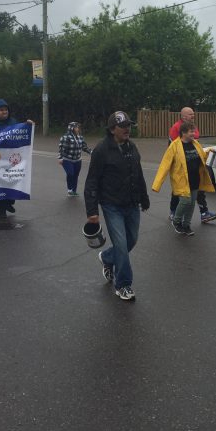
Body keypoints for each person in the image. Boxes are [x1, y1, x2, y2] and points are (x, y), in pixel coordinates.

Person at [84, 111, 150, 302]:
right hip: (111, 205)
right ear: (113, 129)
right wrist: (92, 212)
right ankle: (123, 285)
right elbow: (92, 182)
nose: (127, 129)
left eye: (129, 126)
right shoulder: (101, 150)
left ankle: (107, 257)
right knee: (121, 244)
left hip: (131, 203)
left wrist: (143, 198)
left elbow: (138, 173)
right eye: (123, 126)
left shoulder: (132, 147)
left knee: (132, 240)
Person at [152, 121, 215, 235]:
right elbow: (164, 165)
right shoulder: (174, 146)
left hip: (195, 180)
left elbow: (201, 156)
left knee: (191, 204)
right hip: (181, 181)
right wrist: (156, 185)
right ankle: (176, 222)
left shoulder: (196, 144)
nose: (194, 134)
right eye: (191, 132)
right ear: (183, 133)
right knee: (185, 201)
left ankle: (186, 225)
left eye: (194, 131)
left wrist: (209, 153)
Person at [0, 98, 34, 219]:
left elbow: (21, 134)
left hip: (11, 160)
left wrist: (28, 125)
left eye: (6, 110)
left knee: (12, 183)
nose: (4, 112)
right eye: (1, 110)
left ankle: (9, 203)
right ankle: (1, 210)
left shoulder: (13, 122)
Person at [168, 107, 216, 223]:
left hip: (194, 164)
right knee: (178, 191)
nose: (193, 116)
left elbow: (195, 144)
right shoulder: (176, 128)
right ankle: (173, 212)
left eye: (193, 114)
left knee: (199, 189)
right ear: (183, 116)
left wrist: (204, 154)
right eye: (190, 114)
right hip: (181, 168)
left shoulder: (192, 127)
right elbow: (172, 149)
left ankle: (204, 213)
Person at [58, 121, 92, 197]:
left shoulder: (80, 137)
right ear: (72, 128)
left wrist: (91, 152)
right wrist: (60, 158)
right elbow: (62, 148)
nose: (78, 128)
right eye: (76, 127)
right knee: (70, 173)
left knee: (76, 175)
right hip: (67, 159)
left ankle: (74, 191)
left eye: (78, 127)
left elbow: (84, 147)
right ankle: (69, 189)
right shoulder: (65, 137)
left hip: (78, 160)